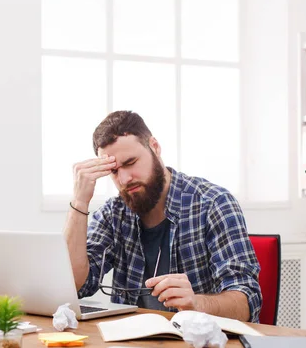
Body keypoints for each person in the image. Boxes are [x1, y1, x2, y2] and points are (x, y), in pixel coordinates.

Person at [64, 110, 262, 322]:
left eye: (130, 162)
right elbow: (74, 286)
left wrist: (196, 303)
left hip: (202, 345)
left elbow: (247, 303)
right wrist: (80, 202)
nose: (124, 179)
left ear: (155, 147)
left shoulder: (213, 203)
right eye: (114, 171)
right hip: (133, 346)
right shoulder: (113, 214)